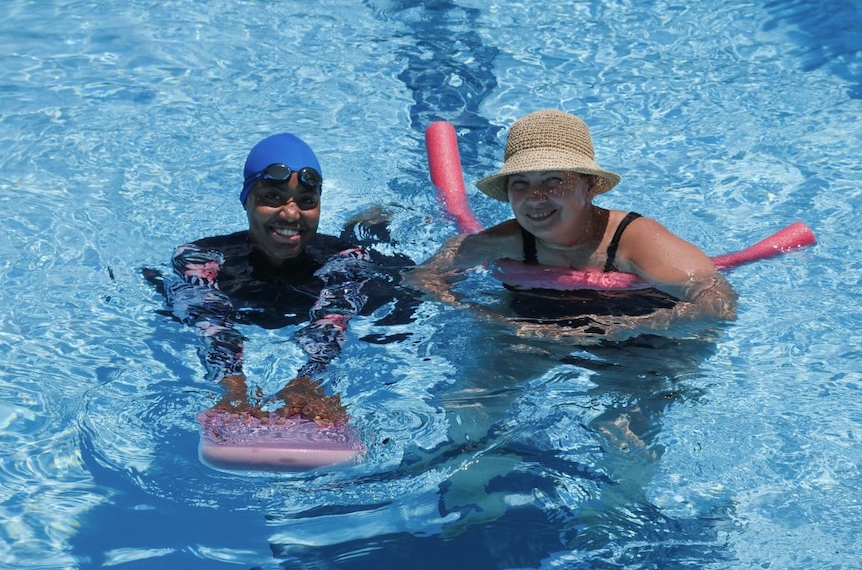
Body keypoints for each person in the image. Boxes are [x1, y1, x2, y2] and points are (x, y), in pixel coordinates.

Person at [144, 133, 417, 424]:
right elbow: (209, 321)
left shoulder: (345, 258)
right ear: (246, 200)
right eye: (272, 198)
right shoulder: (201, 257)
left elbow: (333, 320)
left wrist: (309, 381)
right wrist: (232, 387)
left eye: (306, 201)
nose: (290, 214)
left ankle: (371, 222)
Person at [409, 109, 737, 338]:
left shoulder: (636, 239)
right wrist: (488, 317)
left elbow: (717, 304)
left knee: (622, 429)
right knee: (472, 405)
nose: (534, 197)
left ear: (589, 186)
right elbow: (422, 278)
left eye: (553, 180)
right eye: (519, 183)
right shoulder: (508, 241)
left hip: (643, 335)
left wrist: (608, 331)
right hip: (532, 328)